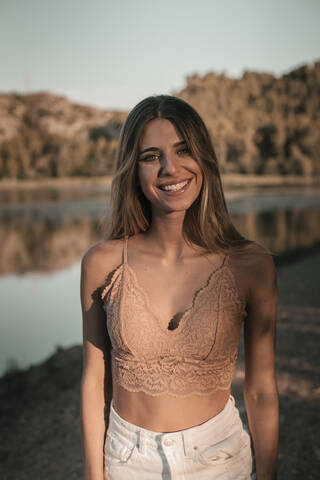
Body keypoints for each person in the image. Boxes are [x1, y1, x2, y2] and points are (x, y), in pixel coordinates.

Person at [80, 95, 279, 480]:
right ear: (133, 169)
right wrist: (94, 474)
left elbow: (261, 389)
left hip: (220, 462)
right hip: (127, 462)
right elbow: (94, 382)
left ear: (203, 158)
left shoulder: (251, 265)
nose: (171, 168)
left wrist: (269, 475)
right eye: (151, 156)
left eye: (184, 150)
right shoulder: (102, 263)